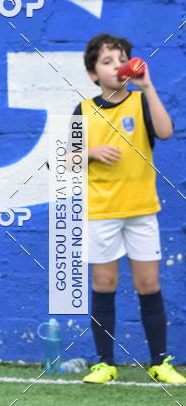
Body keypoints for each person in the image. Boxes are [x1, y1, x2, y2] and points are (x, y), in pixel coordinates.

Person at [73, 33, 183, 384]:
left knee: (148, 284)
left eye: (120, 59)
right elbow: (62, 159)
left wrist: (148, 87)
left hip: (141, 210)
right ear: (93, 74)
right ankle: (105, 363)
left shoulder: (140, 102)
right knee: (104, 284)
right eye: (107, 61)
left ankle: (159, 362)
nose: (116, 66)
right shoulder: (83, 110)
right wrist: (90, 153)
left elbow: (165, 132)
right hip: (102, 212)